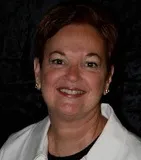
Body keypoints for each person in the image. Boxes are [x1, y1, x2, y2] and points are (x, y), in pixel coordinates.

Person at [0, 1, 141, 160]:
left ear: (108, 78)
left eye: (90, 64)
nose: (73, 75)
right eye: (59, 61)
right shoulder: (12, 150)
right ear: (38, 71)